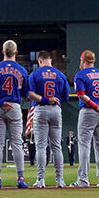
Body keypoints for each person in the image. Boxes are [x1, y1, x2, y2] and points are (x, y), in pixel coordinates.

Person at [0, 40, 29, 188]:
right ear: (16, 52)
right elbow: (25, 93)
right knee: (17, 143)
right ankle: (20, 178)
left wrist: (0, 102)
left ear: (3, 51)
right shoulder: (22, 70)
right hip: (14, 107)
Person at [27, 49, 70, 188]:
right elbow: (66, 96)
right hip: (56, 110)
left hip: (41, 108)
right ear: (50, 60)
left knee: (40, 147)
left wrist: (45, 99)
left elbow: (30, 94)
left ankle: (41, 180)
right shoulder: (60, 75)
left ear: (40, 61)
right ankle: (60, 180)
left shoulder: (35, 74)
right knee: (56, 146)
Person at [72, 50, 99, 187]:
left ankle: (83, 180)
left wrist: (94, 106)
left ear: (83, 60)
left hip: (89, 111)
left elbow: (81, 94)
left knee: (84, 146)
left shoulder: (80, 75)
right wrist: (98, 105)